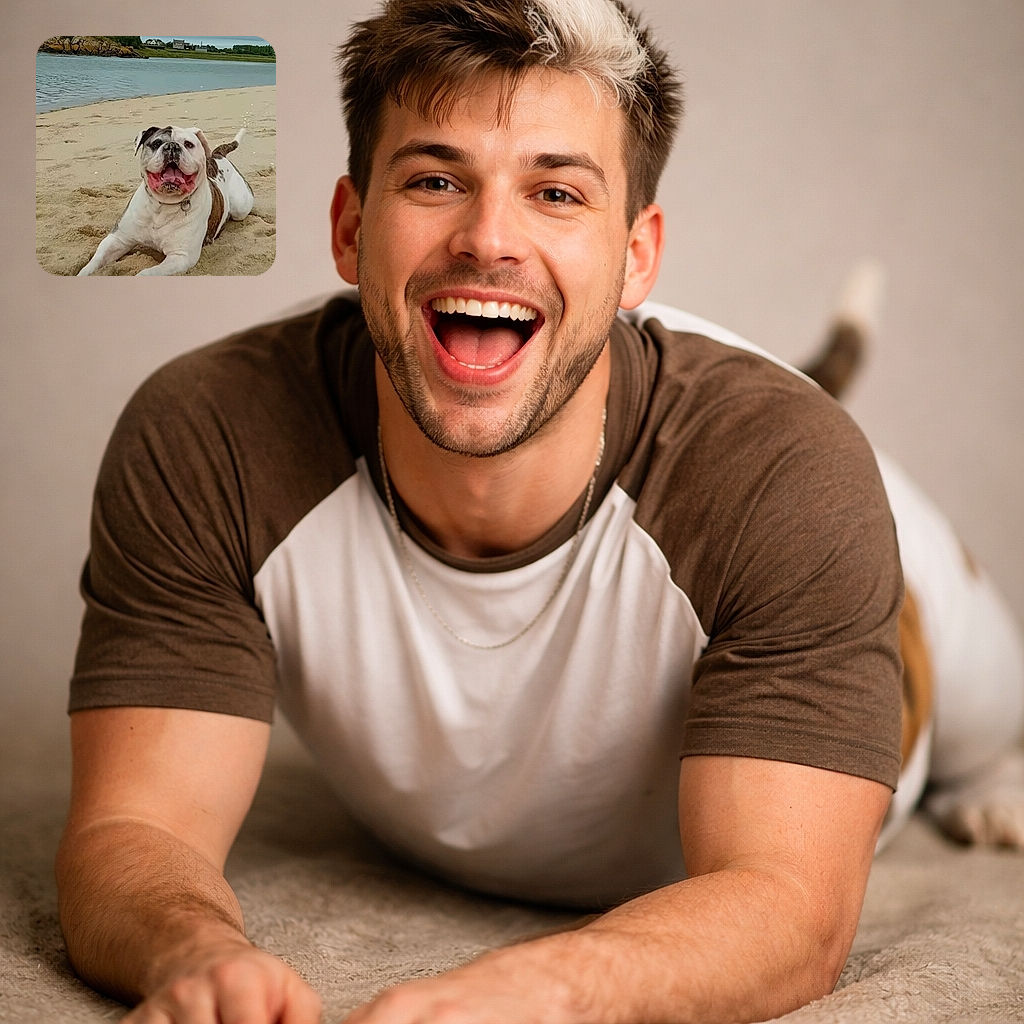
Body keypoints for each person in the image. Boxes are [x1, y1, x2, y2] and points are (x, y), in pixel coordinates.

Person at [56, 1, 1024, 1022]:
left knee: (992, 714)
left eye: (556, 192)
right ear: (349, 227)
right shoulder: (207, 436)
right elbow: (134, 831)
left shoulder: (788, 470)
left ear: (636, 258)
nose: (488, 240)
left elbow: (791, 908)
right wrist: (191, 952)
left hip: (861, 583)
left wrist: (534, 990)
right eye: (435, 180)